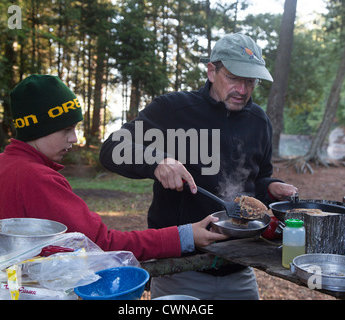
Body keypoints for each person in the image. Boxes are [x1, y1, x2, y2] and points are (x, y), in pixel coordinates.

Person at [99, 33, 298, 300]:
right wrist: (156, 161)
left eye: (250, 81)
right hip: (180, 271)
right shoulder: (173, 111)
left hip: (239, 269)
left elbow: (257, 181)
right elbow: (112, 149)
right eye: (233, 78)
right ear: (211, 71)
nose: (242, 89)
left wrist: (271, 187)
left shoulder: (259, 121)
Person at [0, 74, 228, 266]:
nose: (74, 139)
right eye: (66, 130)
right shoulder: (37, 177)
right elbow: (102, 244)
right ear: (36, 128)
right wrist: (184, 236)